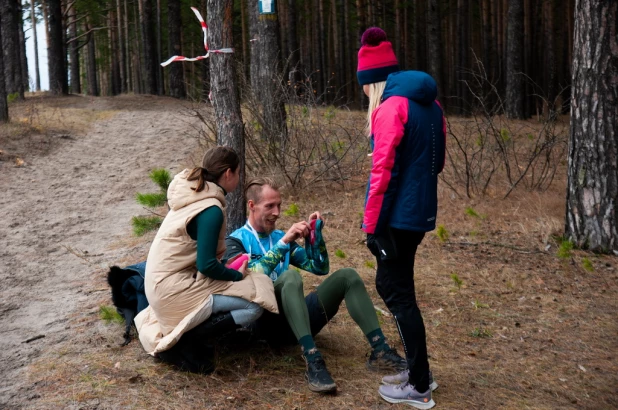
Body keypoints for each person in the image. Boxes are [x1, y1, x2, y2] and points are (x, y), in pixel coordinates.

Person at [224, 177, 407, 394]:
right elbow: (254, 274)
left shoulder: (279, 237)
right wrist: (285, 243)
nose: (277, 212)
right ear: (252, 206)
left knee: (347, 276)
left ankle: (381, 350)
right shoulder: (235, 241)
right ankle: (313, 360)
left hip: (295, 318)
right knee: (290, 278)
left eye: (279, 205)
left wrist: (314, 236)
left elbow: (319, 267)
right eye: (269, 206)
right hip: (265, 322)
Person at [357, 27, 446, 409]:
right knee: (399, 290)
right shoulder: (432, 104)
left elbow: (382, 175)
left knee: (396, 293)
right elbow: (437, 162)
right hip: (420, 212)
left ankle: (420, 386)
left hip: (396, 218)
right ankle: (418, 371)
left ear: (371, 81)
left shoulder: (391, 108)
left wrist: (371, 226)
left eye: (362, 85)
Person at [134, 147, 278, 374]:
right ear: (228, 174)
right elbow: (206, 265)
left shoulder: (193, 196)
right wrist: (234, 274)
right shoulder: (210, 209)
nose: (239, 179)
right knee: (254, 305)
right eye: (239, 173)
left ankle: (191, 337)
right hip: (172, 291)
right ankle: (183, 342)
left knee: (256, 284)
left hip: (161, 286)